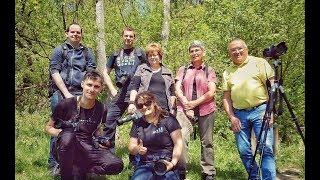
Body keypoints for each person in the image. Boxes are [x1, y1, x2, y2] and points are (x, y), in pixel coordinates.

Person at [45, 70, 124, 180]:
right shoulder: (66, 104)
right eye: (89, 85)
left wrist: (100, 140)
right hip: (66, 147)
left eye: (96, 86)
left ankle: (86, 169)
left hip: (88, 147)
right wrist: (61, 134)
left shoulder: (102, 108)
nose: (92, 89)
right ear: (82, 84)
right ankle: (65, 171)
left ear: (101, 88)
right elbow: (48, 127)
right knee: (68, 136)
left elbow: (97, 129)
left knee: (116, 164)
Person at [222, 38, 276, 179]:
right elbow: (226, 97)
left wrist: (271, 111)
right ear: (229, 53)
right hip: (239, 115)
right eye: (233, 50)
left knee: (266, 149)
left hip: (261, 110)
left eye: (239, 48)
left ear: (246, 49)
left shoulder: (259, 63)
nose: (237, 52)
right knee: (244, 150)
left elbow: (273, 88)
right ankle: (254, 177)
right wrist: (232, 117)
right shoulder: (227, 72)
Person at [48, 22, 97, 175]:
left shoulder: (87, 52)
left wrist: (86, 94)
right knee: (59, 127)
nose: (75, 34)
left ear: (81, 34)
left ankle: (79, 162)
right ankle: (54, 163)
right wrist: (66, 93)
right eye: (72, 32)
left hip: (80, 94)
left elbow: (91, 75)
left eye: (78, 32)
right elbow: (54, 72)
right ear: (66, 33)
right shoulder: (59, 50)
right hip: (61, 94)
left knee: (81, 128)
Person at [175, 40, 217, 180]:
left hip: (206, 108)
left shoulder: (208, 70)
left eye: (197, 50)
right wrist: (187, 103)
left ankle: (208, 172)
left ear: (203, 52)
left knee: (207, 142)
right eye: (192, 51)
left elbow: (211, 92)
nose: (194, 53)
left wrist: (194, 103)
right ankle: (180, 171)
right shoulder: (183, 69)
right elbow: (177, 88)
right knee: (181, 138)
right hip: (184, 108)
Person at [102, 26, 147, 152]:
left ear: (134, 38)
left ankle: (136, 157)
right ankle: (108, 154)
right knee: (110, 120)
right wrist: (112, 89)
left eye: (131, 36)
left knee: (139, 124)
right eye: (126, 36)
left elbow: (148, 69)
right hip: (120, 93)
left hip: (137, 93)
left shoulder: (139, 53)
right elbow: (105, 72)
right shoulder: (116, 54)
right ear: (122, 37)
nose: (128, 38)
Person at [128, 91, 183, 180]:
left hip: (166, 162)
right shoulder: (137, 123)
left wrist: (172, 163)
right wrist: (137, 149)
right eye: (140, 105)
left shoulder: (168, 118)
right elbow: (131, 148)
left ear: (154, 102)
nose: (144, 107)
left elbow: (178, 143)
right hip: (145, 164)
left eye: (147, 103)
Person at [127, 42, 176, 116]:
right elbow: (134, 87)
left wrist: (173, 109)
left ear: (160, 56)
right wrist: (132, 103)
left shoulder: (168, 72)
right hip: (144, 109)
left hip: (163, 110)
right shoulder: (141, 69)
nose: (152, 57)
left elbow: (172, 93)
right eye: (150, 55)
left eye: (155, 55)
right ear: (147, 57)